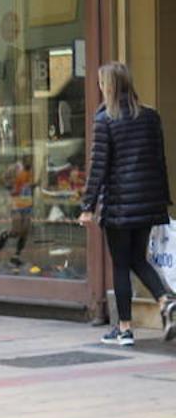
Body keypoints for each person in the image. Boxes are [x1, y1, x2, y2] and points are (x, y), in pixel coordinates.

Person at [80, 61, 176, 345]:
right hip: (147, 203)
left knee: (121, 265)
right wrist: (162, 202)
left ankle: (124, 329)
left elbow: (98, 167)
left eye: (101, 82)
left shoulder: (105, 119)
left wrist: (87, 207)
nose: (99, 87)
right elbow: (160, 162)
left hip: (119, 206)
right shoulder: (150, 116)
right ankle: (165, 299)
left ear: (108, 86)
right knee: (138, 259)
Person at [0, 155, 35, 269]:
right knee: (17, 230)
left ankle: (16, 256)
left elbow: (29, 185)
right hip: (16, 203)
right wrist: (10, 188)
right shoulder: (16, 167)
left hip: (27, 203)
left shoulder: (29, 171)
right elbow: (3, 178)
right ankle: (4, 235)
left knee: (25, 230)